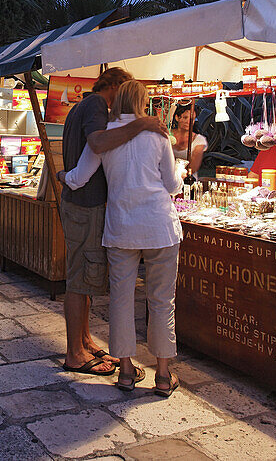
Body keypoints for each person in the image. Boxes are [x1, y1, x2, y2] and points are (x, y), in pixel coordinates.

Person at [62, 80, 184, 395]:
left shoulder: (104, 139)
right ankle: (163, 374)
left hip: (121, 230)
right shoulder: (158, 135)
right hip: (159, 227)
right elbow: (172, 186)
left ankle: (127, 372)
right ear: (143, 103)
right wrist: (179, 174)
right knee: (161, 301)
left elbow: (78, 179)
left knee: (121, 299)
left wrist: (59, 175)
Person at [170, 102, 207, 181]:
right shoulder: (168, 135)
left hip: (188, 181)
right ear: (177, 118)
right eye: (185, 117)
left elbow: (193, 167)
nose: (188, 121)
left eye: (192, 119)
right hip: (168, 180)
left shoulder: (199, 140)